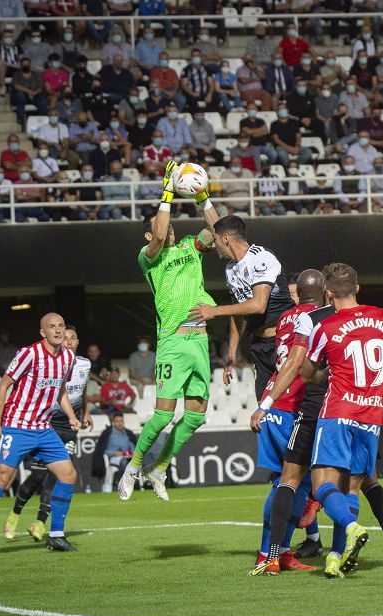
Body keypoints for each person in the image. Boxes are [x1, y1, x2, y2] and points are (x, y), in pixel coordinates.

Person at [251, 269, 383, 573]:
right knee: (362, 483)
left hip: (314, 406)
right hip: (358, 410)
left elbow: (295, 364)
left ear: (297, 293)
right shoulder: (357, 317)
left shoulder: (295, 319)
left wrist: (266, 403)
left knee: (288, 479)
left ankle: (273, 555)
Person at [301, 263, 383, 578]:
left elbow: (307, 374)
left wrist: (323, 370)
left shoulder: (326, 327)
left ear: (329, 293)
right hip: (372, 416)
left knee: (322, 486)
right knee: (352, 487)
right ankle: (337, 555)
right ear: (358, 288)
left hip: (338, 413)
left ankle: (350, 528)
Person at [115, 160, 218, 503]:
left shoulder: (190, 247)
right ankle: (133, 467)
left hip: (199, 339)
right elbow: (160, 234)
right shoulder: (149, 258)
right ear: (148, 234)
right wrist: (168, 191)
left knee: (195, 416)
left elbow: (218, 232)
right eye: (163, 224)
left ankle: (160, 466)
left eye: (172, 223)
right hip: (173, 340)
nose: (169, 228)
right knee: (162, 415)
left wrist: (204, 198)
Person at [0, 313, 81, 559]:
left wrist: (71, 416)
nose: (58, 330)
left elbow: (59, 391)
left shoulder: (68, 357)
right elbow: (3, 386)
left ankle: (57, 535)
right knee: (2, 479)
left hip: (44, 428)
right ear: (42, 332)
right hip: (17, 426)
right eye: (52, 327)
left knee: (68, 475)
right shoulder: (30, 354)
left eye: (61, 326)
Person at [245, 270, 328, 574]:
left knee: (289, 481)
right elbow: (301, 363)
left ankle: (279, 552)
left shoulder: (285, 319)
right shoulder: (320, 319)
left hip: (272, 402)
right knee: (296, 483)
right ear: (324, 292)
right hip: (291, 404)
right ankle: (270, 553)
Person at [188, 216, 294, 424]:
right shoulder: (230, 270)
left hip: (283, 342)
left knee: (288, 409)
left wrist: (215, 311)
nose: (214, 245)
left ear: (226, 238)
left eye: (216, 239)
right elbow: (238, 314)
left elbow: (258, 305)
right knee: (266, 415)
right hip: (259, 346)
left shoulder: (261, 257)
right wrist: (231, 354)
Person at [2, 325, 91, 542]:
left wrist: (85, 412)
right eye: (65, 338)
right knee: (39, 474)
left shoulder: (85, 364)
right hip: (48, 422)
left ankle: (40, 522)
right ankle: (14, 514)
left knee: (59, 476)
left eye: (73, 338)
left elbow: (82, 390)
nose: (68, 341)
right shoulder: (56, 361)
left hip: (69, 427)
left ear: (78, 342)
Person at [96, 412, 138, 484]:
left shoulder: (128, 433)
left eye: (121, 421)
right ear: (113, 422)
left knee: (135, 461)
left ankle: (137, 483)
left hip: (128, 456)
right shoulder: (107, 433)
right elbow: (102, 451)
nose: (119, 423)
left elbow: (132, 445)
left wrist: (133, 451)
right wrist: (114, 453)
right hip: (113, 458)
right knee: (124, 462)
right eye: (117, 421)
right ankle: (121, 482)